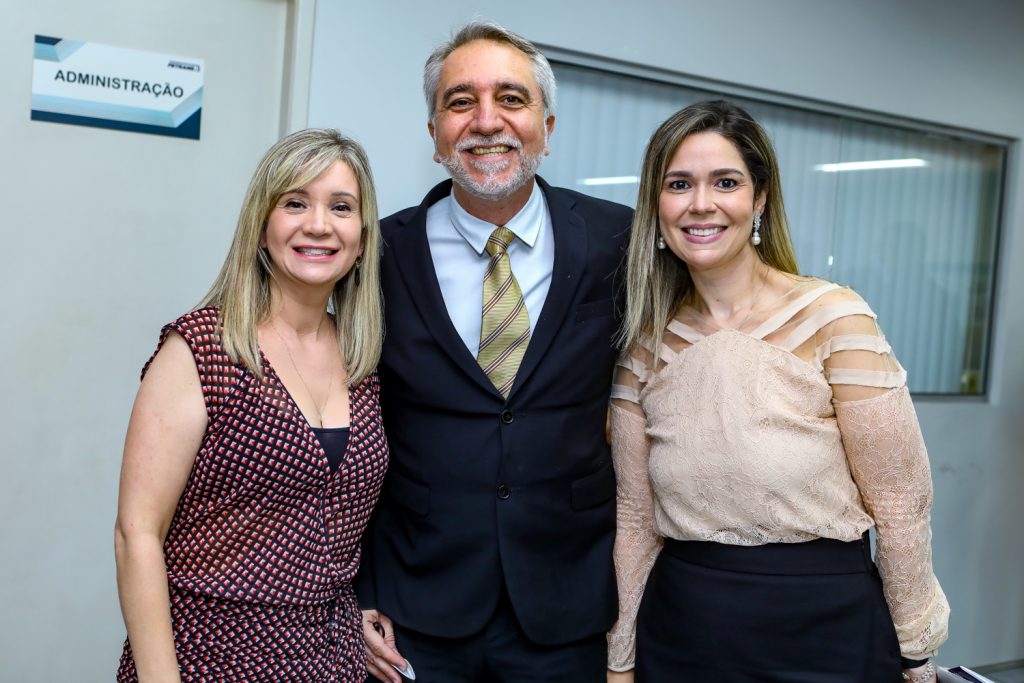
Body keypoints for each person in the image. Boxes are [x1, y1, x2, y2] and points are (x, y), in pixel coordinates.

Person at [606, 100, 949, 683]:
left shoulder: (834, 318)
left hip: (825, 628)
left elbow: (901, 506)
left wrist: (916, 652)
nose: (700, 204)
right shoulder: (644, 346)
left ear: (760, 198)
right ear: (656, 205)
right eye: (679, 184)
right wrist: (621, 659)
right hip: (684, 631)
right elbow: (637, 519)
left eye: (726, 182)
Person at [356, 20, 633, 683]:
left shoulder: (618, 241)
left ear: (547, 125)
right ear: (433, 135)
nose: (487, 121)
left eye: (511, 99)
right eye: (460, 102)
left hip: (568, 606)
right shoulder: (377, 254)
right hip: (415, 608)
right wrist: (358, 591)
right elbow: (350, 422)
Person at [114, 128, 388, 682]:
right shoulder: (201, 349)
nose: (318, 224)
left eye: (341, 207)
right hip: (210, 658)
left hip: (334, 663)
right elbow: (136, 533)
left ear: (361, 237)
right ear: (263, 228)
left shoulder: (365, 362)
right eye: (295, 203)